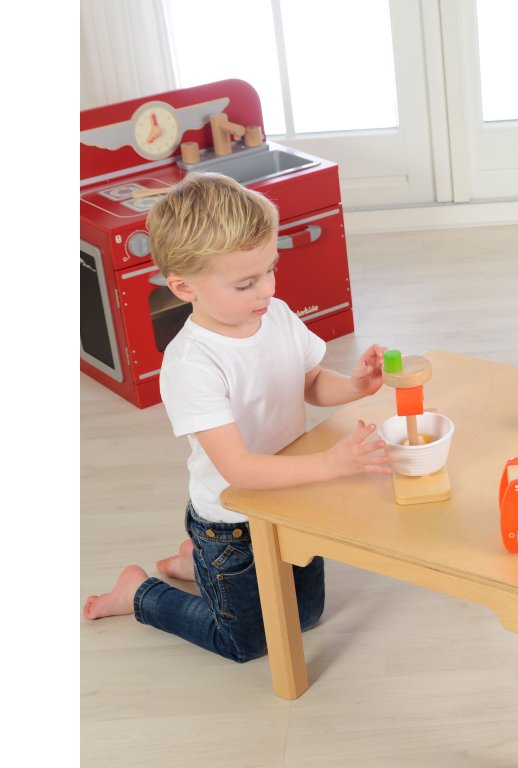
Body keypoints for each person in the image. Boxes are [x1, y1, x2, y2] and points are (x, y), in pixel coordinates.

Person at [82, 172, 392, 662]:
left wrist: (355, 386)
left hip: (291, 497)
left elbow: (310, 380)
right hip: (231, 524)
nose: (266, 290)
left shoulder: (277, 314)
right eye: (246, 283)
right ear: (184, 287)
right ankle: (140, 592)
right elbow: (239, 470)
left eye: (271, 269)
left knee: (306, 617)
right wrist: (333, 464)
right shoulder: (192, 364)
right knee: (245, 643)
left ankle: (194, 565)